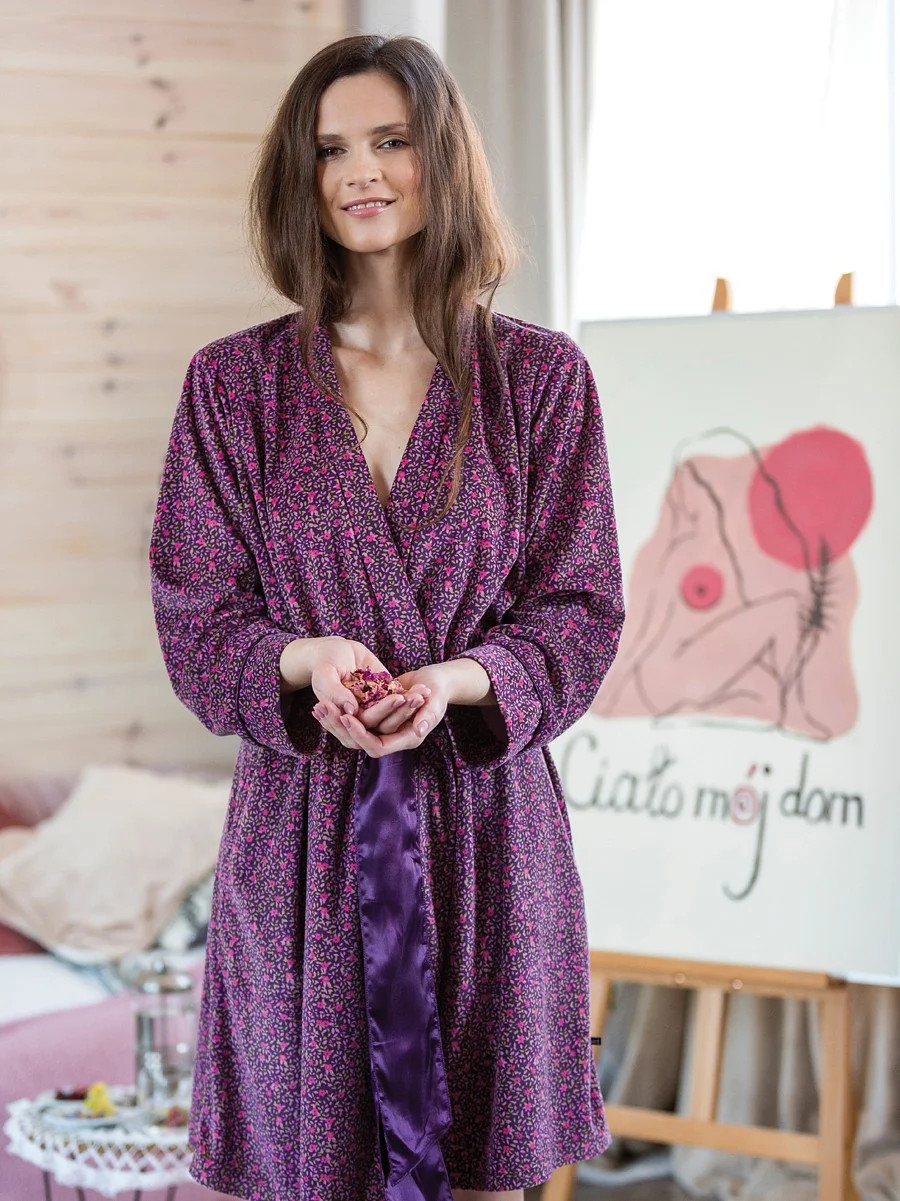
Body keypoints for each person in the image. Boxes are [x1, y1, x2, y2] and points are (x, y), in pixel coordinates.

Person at [148, 32, 625, 1201]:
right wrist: (304, 658)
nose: (360, 171)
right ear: (299, 176)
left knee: (482, 1167)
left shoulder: (541, 381)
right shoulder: (233, 387)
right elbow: (196, 612)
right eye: (331, 150)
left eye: (391, 140)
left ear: (440, 158)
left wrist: (457, 682)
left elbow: (581, 606)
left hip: (484, 834)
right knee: (304, 1168)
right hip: (304, 837)